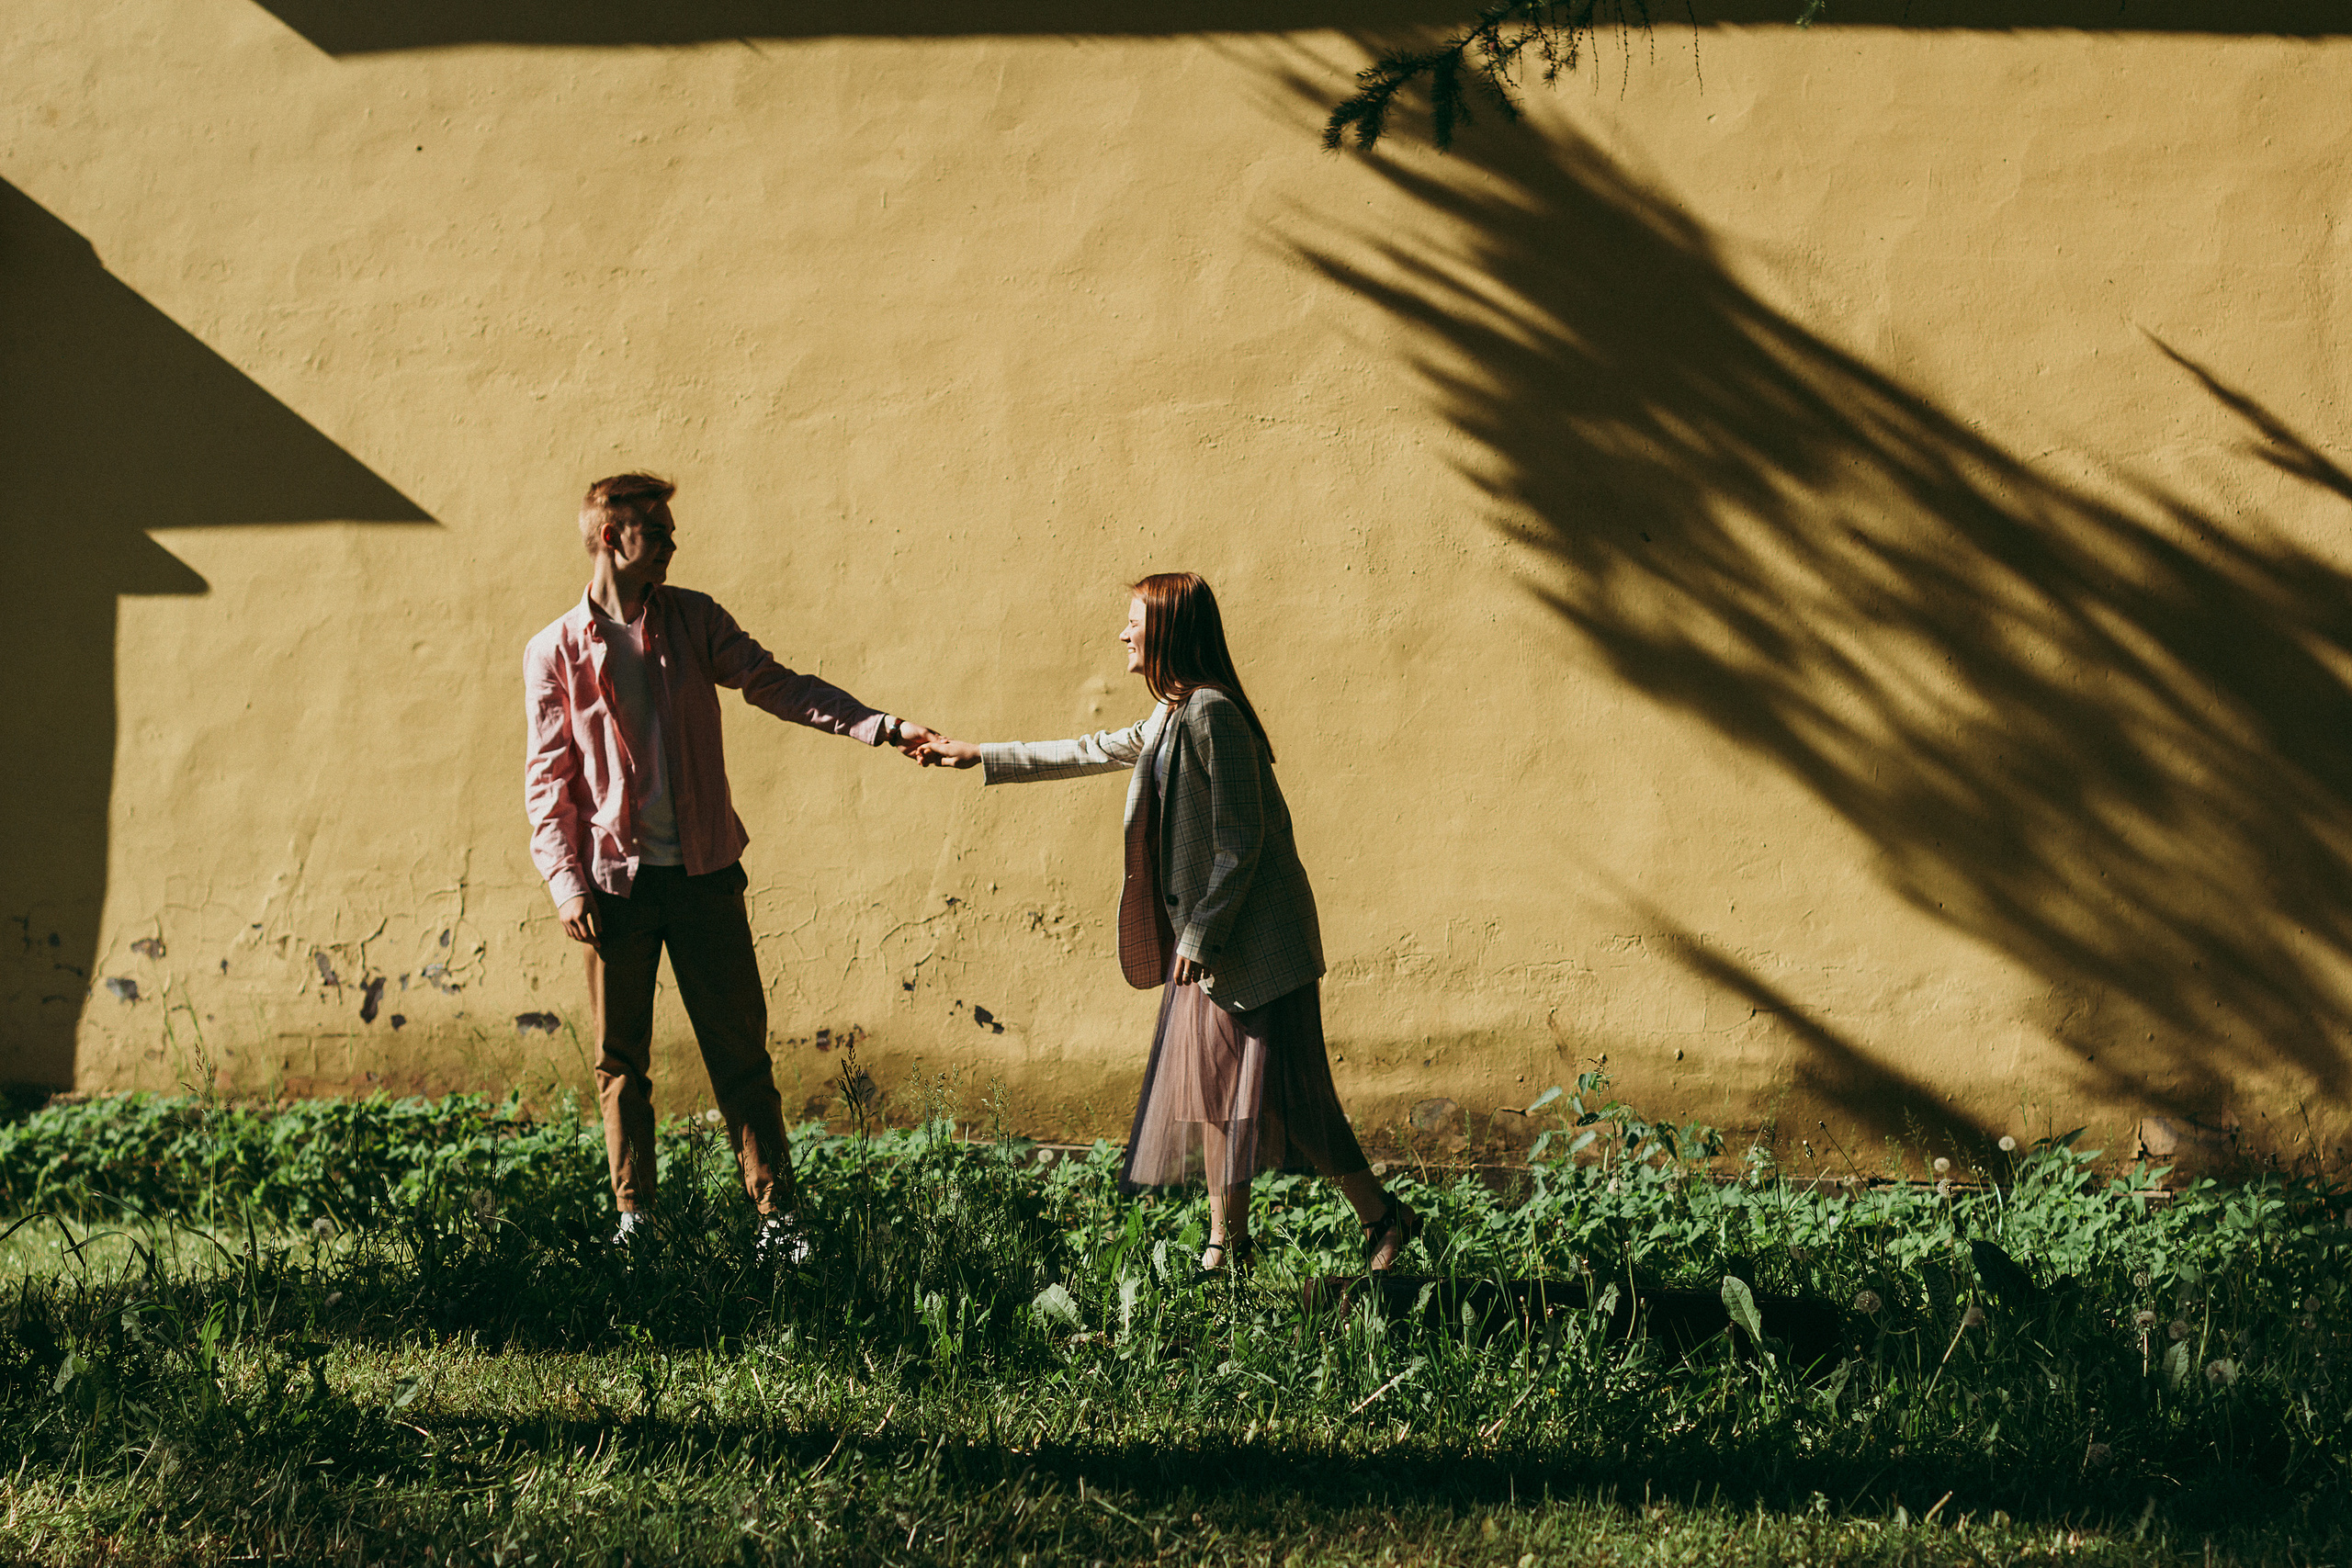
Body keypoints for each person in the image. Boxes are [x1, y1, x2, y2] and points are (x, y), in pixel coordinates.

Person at [917, 572, 1419, 1272]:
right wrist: (980, 754)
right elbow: (1096, 748)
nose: (1124, 633)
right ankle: (1227, 1242)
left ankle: (1384, 1215)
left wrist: (1198, 935)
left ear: (1169, 631)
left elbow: (1241, 841)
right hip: (1210, 948)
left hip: (1257, 948)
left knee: (1294, 1102)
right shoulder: (1172, 713)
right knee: (1217, 1097)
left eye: (1134, 622)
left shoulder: (1213, 713)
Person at [525, 473, 937, 1258]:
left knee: (741, 1053)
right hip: (614, 888)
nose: (675, 542)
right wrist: (565, 880)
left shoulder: (693, 620)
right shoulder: (553, 651)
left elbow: (773, 683)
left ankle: (778, 1221)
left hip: (706, 875)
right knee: (621, 1061)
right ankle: (634, 1221)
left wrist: (876, 725)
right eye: (660, 529)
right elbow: (549, 782)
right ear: (614, 536)